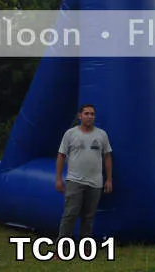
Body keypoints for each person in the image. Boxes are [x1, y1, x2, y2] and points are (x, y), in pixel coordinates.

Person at [55, 104, 113, 242]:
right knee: (70, 215)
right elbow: (61, 155)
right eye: (86, 113)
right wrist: (58, 178)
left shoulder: (101, 135)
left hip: (95, 183)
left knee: (88, 217)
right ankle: (62, 246)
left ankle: (85, 247)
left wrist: (109, 179)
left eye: (92, 114)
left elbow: (107, 157)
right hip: (75, 181)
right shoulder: (70, 134)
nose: (89, 116)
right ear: (80, 116)